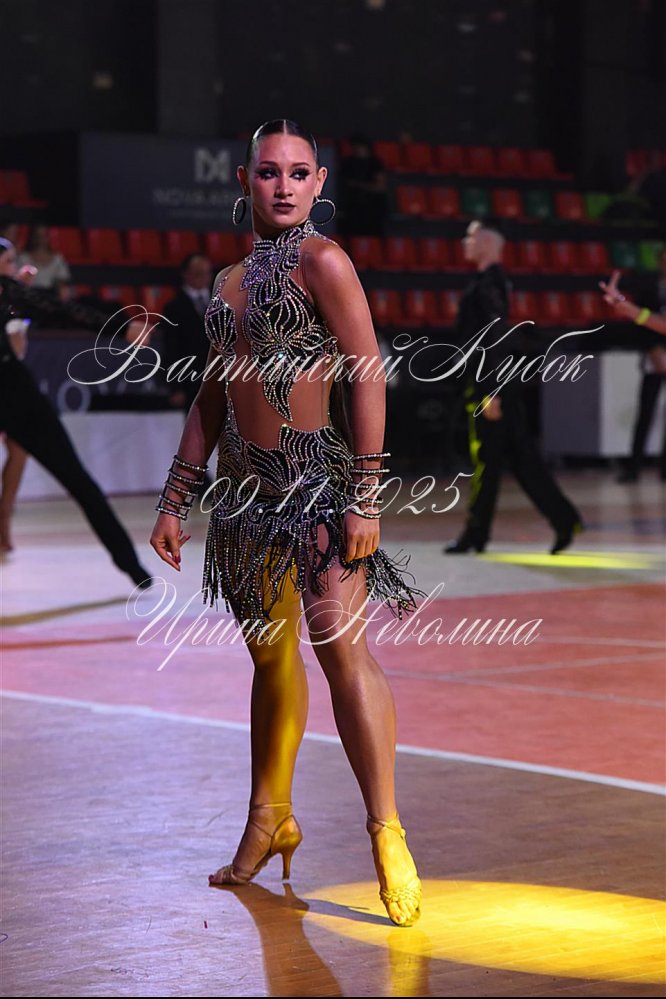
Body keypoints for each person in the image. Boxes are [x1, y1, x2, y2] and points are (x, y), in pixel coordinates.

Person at [149, 119, 425, 927]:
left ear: (319, 182)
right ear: (244, 179)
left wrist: (366, 494)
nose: (283, 186)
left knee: (343, 653)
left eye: (298, 173)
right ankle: (268, 819)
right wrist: (175, 496)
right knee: (271, 661)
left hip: (319, 495)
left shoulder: (325, 260)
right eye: (268, 172)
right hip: (244, 504)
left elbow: (367, 373)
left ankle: (386, 830)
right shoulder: (228, 281)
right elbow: (212, 394)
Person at [0, 237, 153, 588]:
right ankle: (131, 565)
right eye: (8, 261)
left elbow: (60, 309)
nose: (14, 268)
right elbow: (61, 309)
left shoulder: (9, 292)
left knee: (77, 479)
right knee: (78, 481)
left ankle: (130, 563)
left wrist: (121, 328)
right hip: (12, 388)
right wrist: (122, 328)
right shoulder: (9, 291)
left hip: (15, 393)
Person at [444, 219, 584, 555]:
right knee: (515, 459)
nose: (465, 242)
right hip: (495, 382)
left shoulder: (490, 284)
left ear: (487, 244)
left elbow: (494, 336)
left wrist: (491, 391)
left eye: (471, 237)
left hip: (491, 385)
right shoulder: (490, 282)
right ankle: (562, 520)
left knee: (493, 458)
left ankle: (478, 533)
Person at [600, 266, 666, 480]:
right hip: (655, 359)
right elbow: (660, 324)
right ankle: (633, 467)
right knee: (646, 411)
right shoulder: (651, 291)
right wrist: (624, 305)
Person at [160, 253, 214, 413]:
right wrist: (175, 386)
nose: (203, 278)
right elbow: (171, 348)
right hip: (190, 380)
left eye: (206, 273)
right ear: (186, 274)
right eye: (198, 273)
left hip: (218, 379)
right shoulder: (173, 308)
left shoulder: (222, 302)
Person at [337, 133, 388, 236]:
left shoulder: (375, 163)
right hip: (352, 209)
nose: (357, 149)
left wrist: (358, 185)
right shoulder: (348, 163)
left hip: (373, 209)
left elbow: (380, 187)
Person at [17, 224, 71, 297]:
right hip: (28, 296)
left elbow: (62, 283)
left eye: (44, 235)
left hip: (51, 297)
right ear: (32, 237)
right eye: (37, 236)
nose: (40, 239)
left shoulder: (57, 259)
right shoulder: (23, 258)